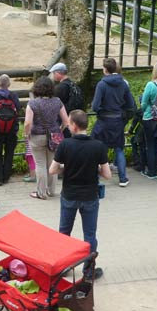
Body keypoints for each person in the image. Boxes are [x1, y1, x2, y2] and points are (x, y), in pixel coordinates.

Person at [50, 110, 111, 281]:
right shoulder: (98, 146)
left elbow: (52, 169)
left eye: (69, 123)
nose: (68, 126)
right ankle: (88, 272)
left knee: (64, 232)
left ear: (74, 126)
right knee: (90, 235)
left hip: (69, 195)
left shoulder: (65, 145)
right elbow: (107, 175)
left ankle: (62, 268)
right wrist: (95, 168)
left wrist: (66, 168)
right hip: (90, 197)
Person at [91, 58, 136, 187]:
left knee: (100, 149)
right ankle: (123, 178)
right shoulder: (123, 84)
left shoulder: (102, 84)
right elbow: (130, 104)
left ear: (105, 70)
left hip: (104, 120)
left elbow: (95, 106)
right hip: (118, 121)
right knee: (119, 149)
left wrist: (101, 110)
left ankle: (96, 178)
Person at [25, 77, 69, 200]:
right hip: (54, 137)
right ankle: (51, 190)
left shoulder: (32, 103)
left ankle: (41, 193)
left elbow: (28, 123)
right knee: (52, 163)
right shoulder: (57, 101)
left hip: (37, 136)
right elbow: (66, 121)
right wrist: (59, 130)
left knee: (40, 164)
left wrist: (26, 133)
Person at [0, 74, 21, 186]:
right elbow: (18, 110)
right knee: (9, 152)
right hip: (11, 129)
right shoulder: (14, 96)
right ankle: (6, 176)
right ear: (9, 84)